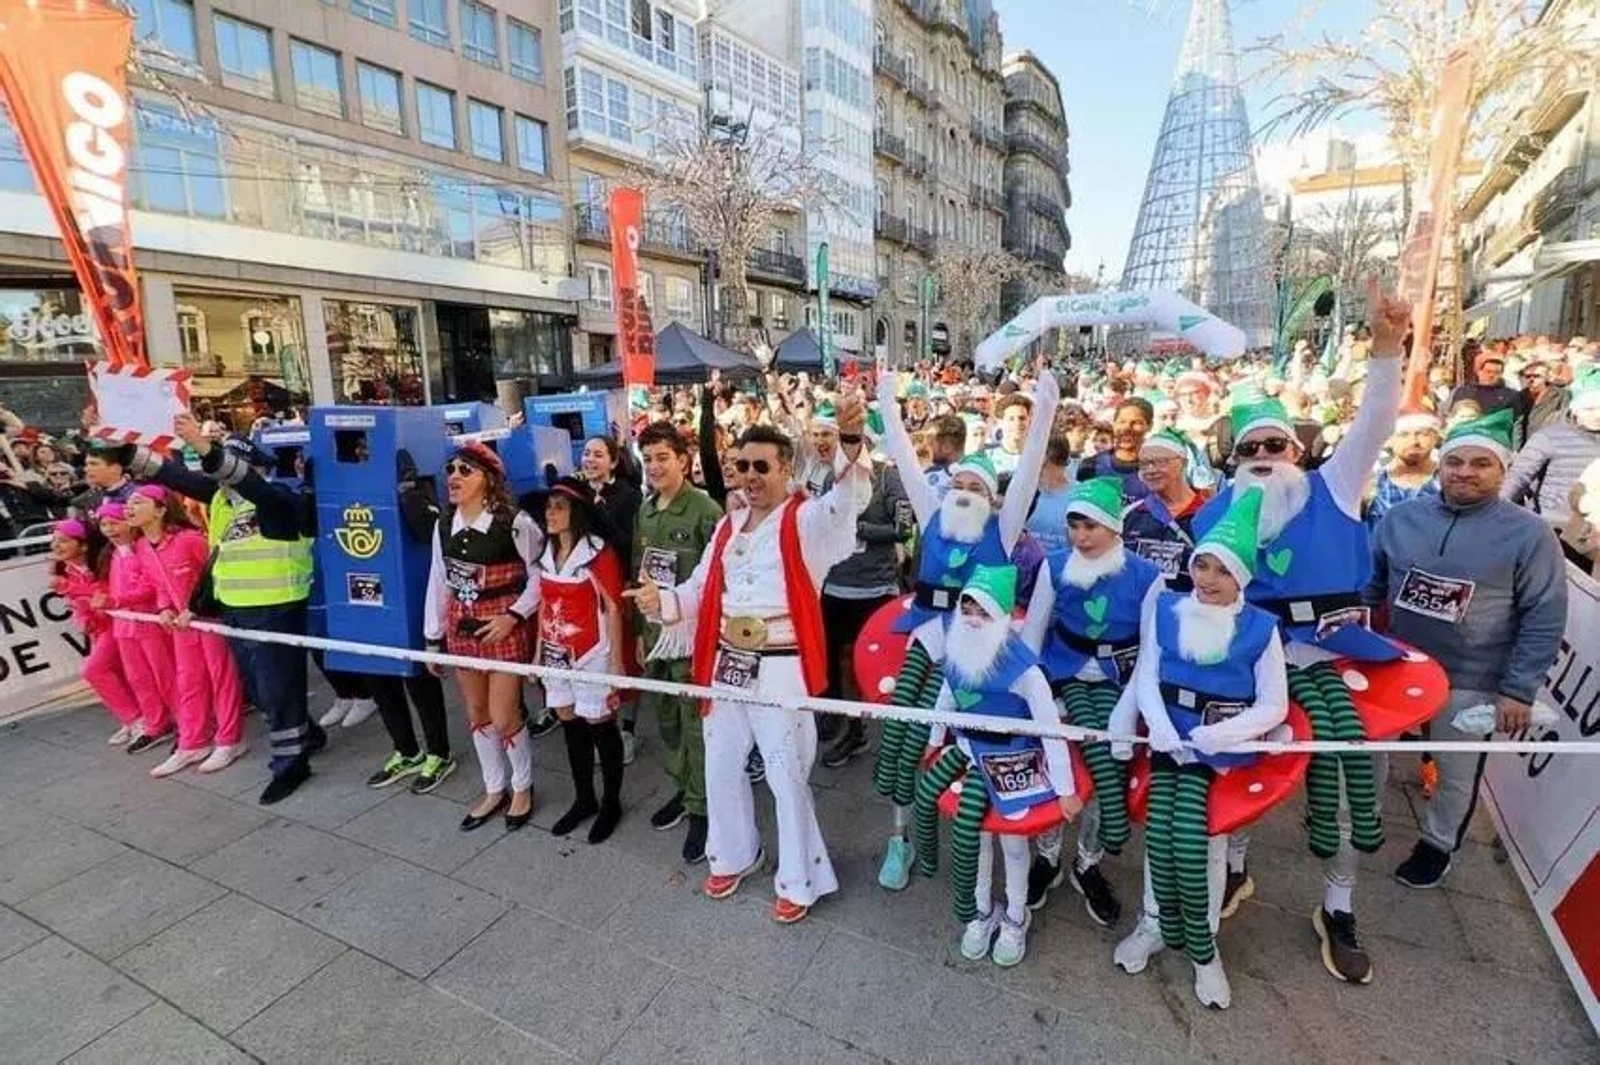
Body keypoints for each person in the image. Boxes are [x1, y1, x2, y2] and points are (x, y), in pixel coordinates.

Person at [1190, 280, 1409, 986]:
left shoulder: (1336, 485)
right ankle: (1235, 871)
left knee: (1343, 787)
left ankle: (1338, 906)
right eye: (1249, 444)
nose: (1262, 452)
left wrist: (1384, 345)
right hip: (1252, 660)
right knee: (1239, 766)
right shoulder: (1215, 511)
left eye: (1275, 442)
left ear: (1297, 447)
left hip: (1341, 658)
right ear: (1234, 455)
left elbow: (1377, 417)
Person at [627, 393, 874, 925]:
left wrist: (850, 445)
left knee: (786, 775)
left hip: (782, 665)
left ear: (786, 467)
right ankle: (735, 853)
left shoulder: (806, 521)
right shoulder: (725, 527)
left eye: (762, 466)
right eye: (742, 466)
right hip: (725, 664)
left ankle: (800, 877)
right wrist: (662, 602)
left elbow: (848, 501)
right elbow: (696, 590)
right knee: (719, 767)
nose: (750, 475)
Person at [870, 368, 1059, 891]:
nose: (964, 491)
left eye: (976, 486)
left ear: (992, 497)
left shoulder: (1002, 529)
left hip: (970, 657)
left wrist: (1044, 410)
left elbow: (1025, 474)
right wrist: (887, 404)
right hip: (924, 638)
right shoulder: (934, 516)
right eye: (959, 484)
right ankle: (899, 836)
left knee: (935, 741)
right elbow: (906, 460)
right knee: (899, 736)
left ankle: (957, 843)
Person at [1367, 409, 1567, 888]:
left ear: (1503, 470)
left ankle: (1437, 845)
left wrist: (1518, 689)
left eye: (1481, 463)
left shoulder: (1530, 533)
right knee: (1370, 748)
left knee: (1455, 769)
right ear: (1441, 465)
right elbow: (1372, 587)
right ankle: (1366, 818)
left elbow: (1545, 614)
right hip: (1396, 664)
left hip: (1472, 675)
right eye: (1456, 461)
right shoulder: (1399, 517)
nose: (1465, 472)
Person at [1111, 485, 1289, 1010]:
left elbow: (1273, 704)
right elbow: (1147, 672)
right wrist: (1159, 725)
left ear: (1241, 578)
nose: (1207, 580)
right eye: (1202, 566)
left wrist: (1221, 736)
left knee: (1201, 841)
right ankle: (1152, 923)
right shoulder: (1167, 608)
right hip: (1169, 740)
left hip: (1220, 751)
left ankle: (1203, 947)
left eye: (1221, 571)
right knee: (1160, 834)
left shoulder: (1260, 629)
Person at [137, 416, 321, 804]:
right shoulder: (222, 501)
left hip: (276, 607)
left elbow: (246, 482)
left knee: (277, 689)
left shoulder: (280, 498)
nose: (224, 477)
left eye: (230, 466)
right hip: (234, 611)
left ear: (254, 467)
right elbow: (178, 478)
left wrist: (204, 447)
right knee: (259, 690)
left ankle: (291, 765)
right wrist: (126, 449)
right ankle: (308, 733)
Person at [912, 564, 1081, 967]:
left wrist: (1066, 789)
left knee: (1012, 842)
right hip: (969, 753)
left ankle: (1016, 916)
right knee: (974, 837)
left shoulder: (1023, 669)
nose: (972, 619)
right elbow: (946, 701)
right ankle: (981, 910)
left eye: (983, 611)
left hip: (1014, 760)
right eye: (967, 607)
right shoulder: (955, 650)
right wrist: (934, 742)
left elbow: (1050, 729)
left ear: (1003, 618)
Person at [1020, 478, 1163, 926]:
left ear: (1115, 528)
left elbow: (1151, 648)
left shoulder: (1147, 576)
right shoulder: (1055, 565)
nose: (1081, 536)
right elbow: (1033, 632)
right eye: (1074, 525)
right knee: (1052, 766)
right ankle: (1046, 856)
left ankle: (1088, 860)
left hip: (1121, 682)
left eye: (1092, 526)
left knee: (1108, 767)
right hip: (1062, 674)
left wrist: (1130, 707)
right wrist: (1035, 691)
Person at [425, 442, 542, 832]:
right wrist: (431, 638)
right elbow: (438, 580)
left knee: (503, 713)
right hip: (461, 625)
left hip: (502, 626)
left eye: (465, 470)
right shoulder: (442, 522)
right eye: (451, 469)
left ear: (489, 480)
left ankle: (522, 786)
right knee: (476, 713)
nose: (454, 476)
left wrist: (514, 616)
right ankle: (495, 788)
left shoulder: (515, 522)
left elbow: (542, 574)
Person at [631, 420, 723, 863]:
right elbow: (640, 574)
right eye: (647, 460)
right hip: (655, 636)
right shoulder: (646, 510)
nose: (654, 467)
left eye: (662, 458)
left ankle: (705, 809)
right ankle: (684, 791)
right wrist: (636, 633)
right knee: (666, 721)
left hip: (691, 640)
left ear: (684, 460)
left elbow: (720, 581)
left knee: (695, 726)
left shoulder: (706, 511)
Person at [125, 484, 247, 778]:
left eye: (138, 502)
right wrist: (163, 608)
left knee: (223, 678)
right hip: (181, 626)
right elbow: (158, 586)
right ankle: (193, 742)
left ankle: (230, 740)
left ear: (161, 509)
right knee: (189, 681)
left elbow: (218, 574)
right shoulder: (141, 546)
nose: (129, 507)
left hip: (209, 619)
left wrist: (197, 608)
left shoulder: (189, 539)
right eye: (128, 503)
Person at [535, 476, 630, 844]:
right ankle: (584, 798)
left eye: (559, 507)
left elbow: (613, 607)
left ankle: (611, 803)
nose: (551, 514)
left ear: (577, 512)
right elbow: (545, 602)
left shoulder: (597, 552)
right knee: (569, 722)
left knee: (601, 726)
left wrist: (618, 664)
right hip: (556, 651)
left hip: (593, 653)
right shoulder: (546, 552)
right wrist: (538, 652)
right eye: (548, 507)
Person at [362, 451, 457, 795]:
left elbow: (430, 530)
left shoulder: (418, 488)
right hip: (367, 595)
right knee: (378, 675)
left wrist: (409, 490)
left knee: (418, 677)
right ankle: (405, 750)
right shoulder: (351, 490)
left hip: (410, 594)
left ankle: (439, 751)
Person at [817, 427, 912, 767]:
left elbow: (904, 528)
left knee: (878, 666)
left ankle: (893, 737)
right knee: (837, 661)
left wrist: (861, 530)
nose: (849, 451)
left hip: (876, 590)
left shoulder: (888, 478)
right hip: (836, 587)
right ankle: (851, 727)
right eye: (845, 445)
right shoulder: (832, 480)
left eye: (855, 444)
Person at [49, 518, 142, 745]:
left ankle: (136, 719)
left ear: (84, 545)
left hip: (118, 622)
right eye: (54, 541)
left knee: (94, 670)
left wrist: (71, 588)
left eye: (63, 541)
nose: (56, 546)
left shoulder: (106, 562)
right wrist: (84, 618)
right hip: (99, 629)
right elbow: (78, 604)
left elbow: (106, 593)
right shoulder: (65, 570)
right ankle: (132, 719)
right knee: (117, 673)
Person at [96, 501, 177, 754]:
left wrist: (117, 601)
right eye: (103, 524)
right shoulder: (113, 554)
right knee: (139, 678)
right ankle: (155, 724)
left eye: (114, 522)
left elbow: (149, 587)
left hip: (149, 623)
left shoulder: (142, 548)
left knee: (165, 675)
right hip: (124, 627)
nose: (108, 529)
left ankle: (188, 723)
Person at [1502, 364, 1600, 530]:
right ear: (1575, 410)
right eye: (1590, 409)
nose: (1597, 415)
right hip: (1554, 526)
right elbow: (1518, 477)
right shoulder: (1548, 437)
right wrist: (1493, 513)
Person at [1123, 428, 1209, 581]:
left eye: (1160, 462)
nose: (1150, 470)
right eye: (1144, 464)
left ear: (1183, 463)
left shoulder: (1209, 513)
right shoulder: (1130, 515)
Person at [1366, 406, 1441, 529]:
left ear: (1435, 438)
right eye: (1403, 434)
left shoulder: (1449, 483)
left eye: (1423, 434)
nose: (1413, 441)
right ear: (1389, 439)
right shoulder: (1371, 486)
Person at [1077, 398, 1152, 503]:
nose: (1127, 428)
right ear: (1114, 424)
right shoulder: (1090, 466)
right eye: (1122, 421)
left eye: (1136, 423)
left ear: (1150, 426)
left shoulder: (1157, 471)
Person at [1022, 433, 1076, 556]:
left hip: (1061, 572)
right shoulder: (1019, 490)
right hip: (1024, 572)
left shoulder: (1081, 495)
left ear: (1044, 456)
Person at [1446, 349, 1526, 425]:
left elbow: (1517, 422)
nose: (1491, 375)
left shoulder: (1510, 396)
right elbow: (1452, 416)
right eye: (1488, 371)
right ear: (1478, 372)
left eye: (1497, 372)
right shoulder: (1463, 392)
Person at [986, 393, 1033, 477]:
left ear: (1029, 421)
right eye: (1011, 419)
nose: (1017, 423)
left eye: (1022, 418)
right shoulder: (988, 457)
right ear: (1000, 422)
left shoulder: (1038, 457)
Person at [1520, 360, 1569, 438]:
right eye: (1528, 376)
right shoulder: (1520, 395)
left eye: (1537, 376)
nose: (1531, 379)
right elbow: (1517, 424)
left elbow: (1563, 421)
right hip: (1527, 443)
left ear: (1546, 377)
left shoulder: (1561, 394)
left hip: (1550, 440)